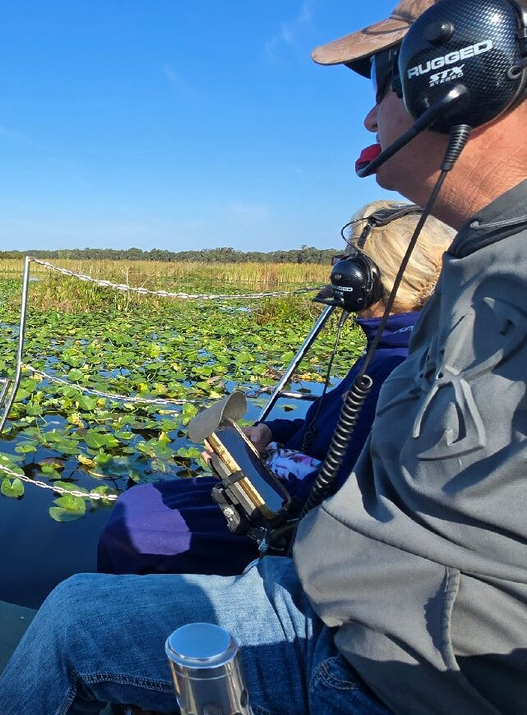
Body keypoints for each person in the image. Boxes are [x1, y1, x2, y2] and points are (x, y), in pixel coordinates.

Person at [0, 0, 527, 715]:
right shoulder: (477, 261)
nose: (370, 115)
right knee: (76, 613)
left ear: (468, 66)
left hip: (430, 707)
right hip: (324, 617)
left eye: (385, 75)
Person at [97, 200, 454, 577]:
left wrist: (254, 472)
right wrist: (272, 432)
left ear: (365, 279)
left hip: (297, 531)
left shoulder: (403, 368)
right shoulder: (390, 346)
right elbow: (329, 430)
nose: (340, 273)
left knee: (131, 532)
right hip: (286, 490)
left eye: (349, 260)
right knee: (138, 501)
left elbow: (342, 497)